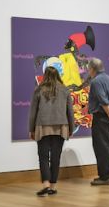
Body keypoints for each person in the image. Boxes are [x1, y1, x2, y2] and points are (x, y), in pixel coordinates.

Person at [28, 63, 74, 197]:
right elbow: (70, 112)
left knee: (43, 157)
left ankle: (46, 185)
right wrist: (71, 128)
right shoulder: (65, 90)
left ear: (45, 76)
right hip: (61, 127)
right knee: (56, 157)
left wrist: (31, 129)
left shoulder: (39, 90)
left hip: (42, 127)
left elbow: (33, 112)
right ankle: (53, 187)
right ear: (58, 75)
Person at [86, 58, 109, 186]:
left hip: (101, 118)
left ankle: (106, 177)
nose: (88, 71)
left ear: (92, 69)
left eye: (88, 69)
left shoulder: (96, 81)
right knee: (105, 147)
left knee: (101, 147)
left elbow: (103, 100)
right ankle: (105, 174)